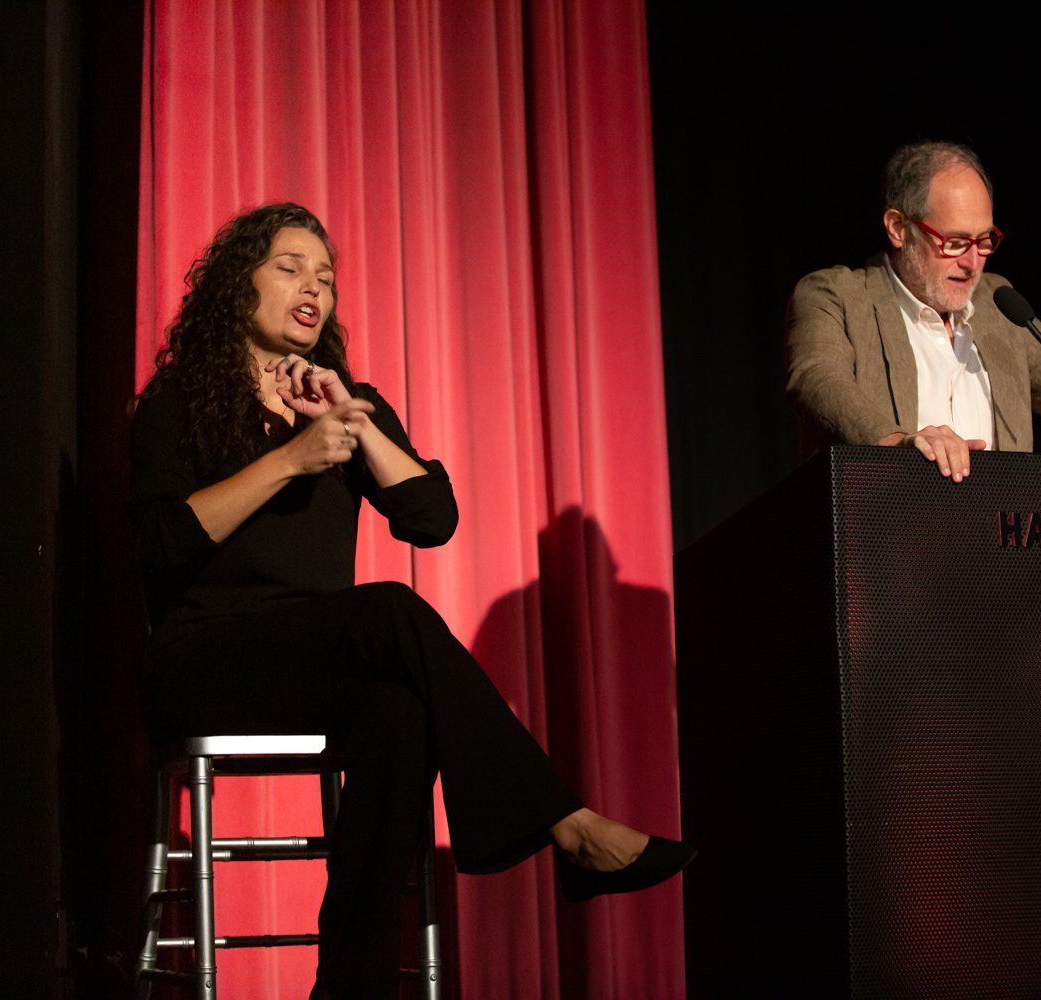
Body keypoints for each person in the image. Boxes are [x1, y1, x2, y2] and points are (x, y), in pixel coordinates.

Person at [129, 202, 693, 998]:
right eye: (290, 268)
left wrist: (356, 426)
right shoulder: (177, 402)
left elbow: (433, 519)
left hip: (312, 660)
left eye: (326, 277)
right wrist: (290, 459)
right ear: (237, 283)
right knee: (390, 609)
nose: (313, 288)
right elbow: (160, 543)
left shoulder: (341, 406)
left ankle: (350, 986)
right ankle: (565, 823)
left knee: (398, 713)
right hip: (204, 660)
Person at [785, 140, 1041, 481]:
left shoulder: (997, 304)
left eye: (984, 241)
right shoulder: (838, 296)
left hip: (997, 550)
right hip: (887, 542)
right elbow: (819, 379)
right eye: (954, 242)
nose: (972, 263)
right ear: (898, 228)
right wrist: (899, 443)